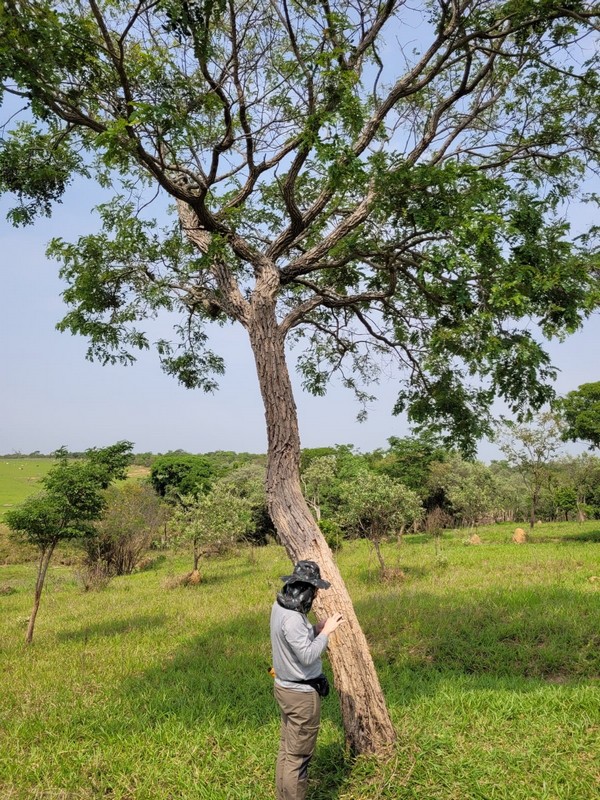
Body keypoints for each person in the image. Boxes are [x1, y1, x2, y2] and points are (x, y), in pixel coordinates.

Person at [270, 560, 344, 800]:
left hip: (285, 688)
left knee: (287, 750)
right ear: (307, 589)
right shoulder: (292, 618)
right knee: (298, 758)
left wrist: (315, 629)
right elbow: (307, 654)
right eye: (315, 591)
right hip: (301, 696)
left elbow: (295, 640)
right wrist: (326, 632)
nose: (315, 596)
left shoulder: (280, 608)